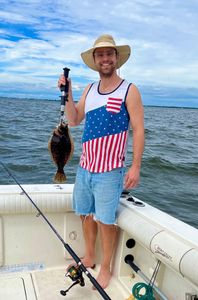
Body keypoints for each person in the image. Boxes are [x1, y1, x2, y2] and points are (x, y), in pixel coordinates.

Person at [58, 34, 144, 289]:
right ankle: (89, 256)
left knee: (105, 221)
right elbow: (74, 120)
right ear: (94, 60)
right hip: (85, 168)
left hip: (110, 171)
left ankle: (105, 267)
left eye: (109, 54)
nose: (105, 59)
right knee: (85, 215)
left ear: (117, 58)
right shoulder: (89, 89)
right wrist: (69, 91)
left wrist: (136, 166)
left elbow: (138, 130)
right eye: (100, 55)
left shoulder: (130, 90)